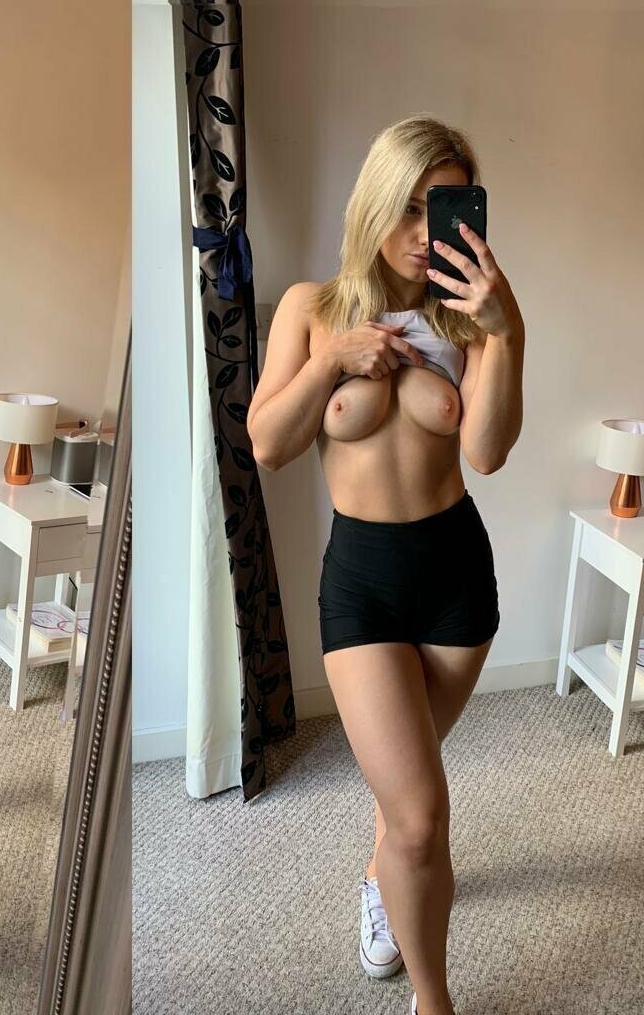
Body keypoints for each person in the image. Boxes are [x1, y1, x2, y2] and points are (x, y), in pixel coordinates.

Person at [247, 114, 524, 1015]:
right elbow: (267, 444)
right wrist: (333, 358)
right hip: (363, 583)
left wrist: (508, 331)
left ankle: (381, 879)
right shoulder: (311, 308)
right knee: (420, 816)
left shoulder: (471, 320)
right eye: (407, 207)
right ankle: (433, 1001)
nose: (422, 232)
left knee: (407, 789)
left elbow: (486, 453)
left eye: (441, 211)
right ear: (373, 201)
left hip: (456, 579)